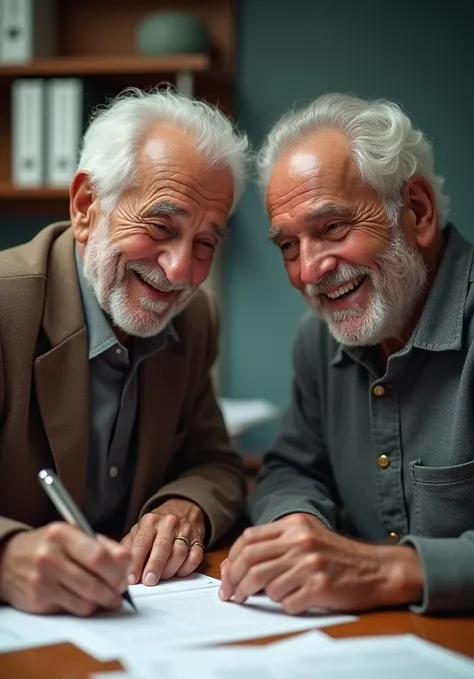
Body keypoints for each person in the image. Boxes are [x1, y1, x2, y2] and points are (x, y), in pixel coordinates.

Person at [220, 93, 474, 615]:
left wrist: (385, 571)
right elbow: (291, 468)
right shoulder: (317, 339)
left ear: (418, 211)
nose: (309, 270)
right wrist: (298, 526)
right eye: (288, 246)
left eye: (333, 227)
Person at [0, 87, 249, 616]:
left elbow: (216, 463)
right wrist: (5, 558)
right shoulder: (5, 306)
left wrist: (186, 507)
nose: (181, 271)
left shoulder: (195, 317)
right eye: (160, 226)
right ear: (88, 207)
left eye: (205, 243)